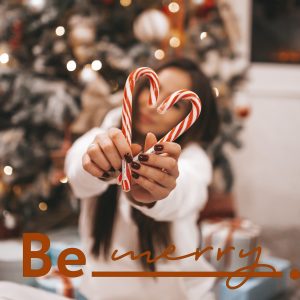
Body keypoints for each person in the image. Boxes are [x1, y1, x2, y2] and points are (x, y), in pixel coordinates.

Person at [65, 57, 220, 300]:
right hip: (100, 291)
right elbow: (77, 174)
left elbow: (187, 191)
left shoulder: (193, 160)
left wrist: (157, 193)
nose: (154, 105)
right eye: (151, 88)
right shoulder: (100, 136)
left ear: (188, 119)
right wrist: (97, 165)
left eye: (175, 105)